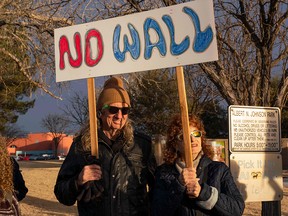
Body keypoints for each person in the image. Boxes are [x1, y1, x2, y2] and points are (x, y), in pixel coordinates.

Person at [54, 76, 156, 216]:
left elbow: (158, 190)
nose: (119, 116)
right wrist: (78, 180)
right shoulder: (82, 145)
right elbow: (61, 193)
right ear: (101, 112)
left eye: (125, 110)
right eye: (113, 109)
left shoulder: (141, 144)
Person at [152, 115, 245, 216]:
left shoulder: (219, 169)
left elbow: (237, 209)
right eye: (184, 136)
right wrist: (178, 185)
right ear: (175, 144)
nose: (192, 139)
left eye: (196, 134)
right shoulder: (163, 172)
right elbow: (156, 211)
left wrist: (204, 193)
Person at [0, 136, 28, 215]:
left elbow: (22, 190)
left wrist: (9, 199)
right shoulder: (10, 162)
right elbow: (22, 190)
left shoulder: (10, 163)